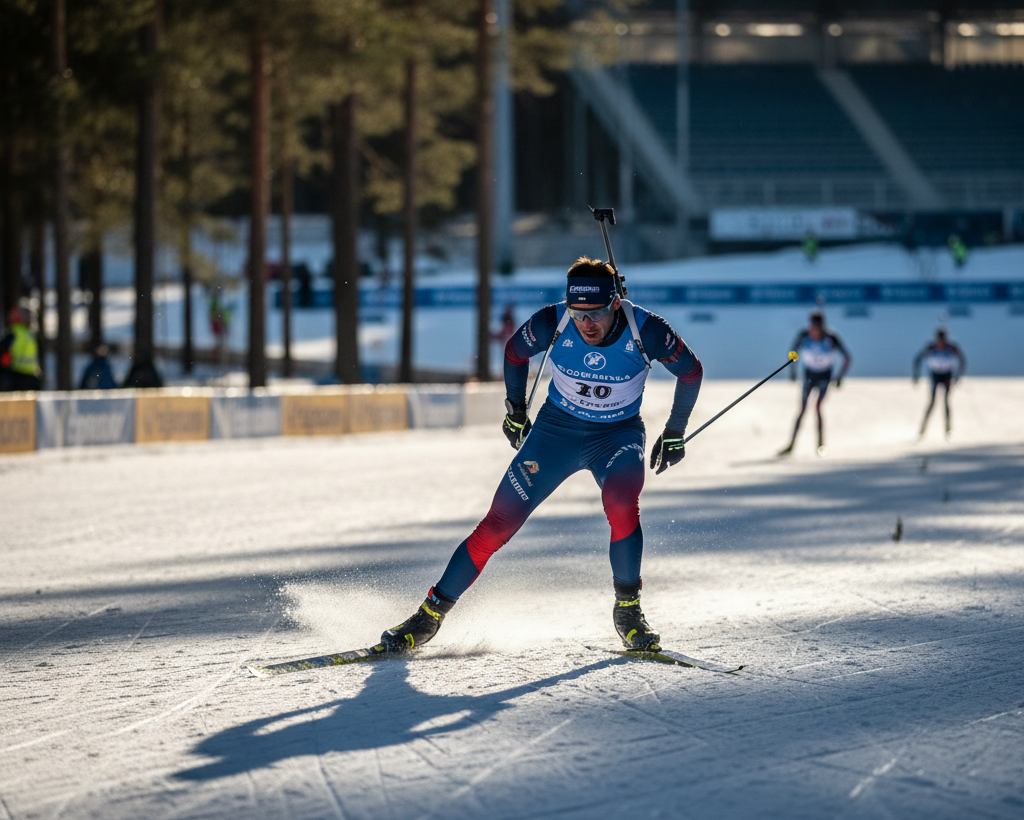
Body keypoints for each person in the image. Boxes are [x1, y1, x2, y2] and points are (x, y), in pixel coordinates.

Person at [380, 256, 703, 653]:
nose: (587, 324)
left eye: (597, 313)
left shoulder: (647, 330)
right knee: (498, 524)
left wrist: (675, 431)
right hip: (555, 434)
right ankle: (428, 616)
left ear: (616, 303)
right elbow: (515, 354)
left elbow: (691, 371)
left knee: (621, 503)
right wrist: (515, 409)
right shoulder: (554, 321)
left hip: (616, 436)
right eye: (578, 313)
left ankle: (628, 611)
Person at [778, 311, 850, 456]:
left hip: (824, 376)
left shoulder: (831, 337)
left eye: (817, 326)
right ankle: (791, 444)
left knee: (817, 407)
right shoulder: (803, 335)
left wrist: (839, 377)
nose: (814, 329)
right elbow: (793, 353)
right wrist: (792, 370)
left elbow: (847, 357)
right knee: (802, 409)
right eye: (812, 325)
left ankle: (820, 444)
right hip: (809, 375)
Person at [913, 328, 966, 440]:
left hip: (947, 375)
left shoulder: (951, 347)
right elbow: (917, 359)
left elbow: (962, 361)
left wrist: (957, 376)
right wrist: (916, 376)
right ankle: (922, 431)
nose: (940, 343)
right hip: (935, 375)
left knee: (946, 403)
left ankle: (948, 431)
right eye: (939, 340)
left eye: (942, 340)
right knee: (932, 403)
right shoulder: (931, 347)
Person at [0, 305, 42, 392]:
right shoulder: (31, 334)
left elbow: (3, 349)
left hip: (17, 377)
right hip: (32, 377)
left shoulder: (14, 332)